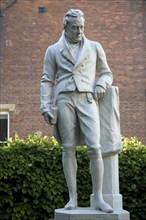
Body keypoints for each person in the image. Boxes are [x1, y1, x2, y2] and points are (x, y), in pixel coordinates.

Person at [40, 9, 113, 213]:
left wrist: (101, 84)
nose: (79, 31)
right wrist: (45, 105)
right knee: (68, 148)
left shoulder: (94, 47)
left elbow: (107, 73)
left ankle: (98, 198)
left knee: (95, 147)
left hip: (88, 98)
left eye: (82, 27)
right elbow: (47, 80)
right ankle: (72, 198)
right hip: (64, 99)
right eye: (75, 28)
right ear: (65, 27)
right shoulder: (53, 50)